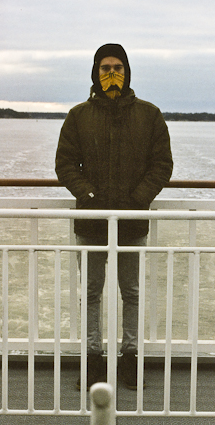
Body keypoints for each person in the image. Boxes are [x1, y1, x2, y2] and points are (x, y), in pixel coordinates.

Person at [55, 43, 173, 390]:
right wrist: (88, 195)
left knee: (132, 291)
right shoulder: (78, 116)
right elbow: (65, 164)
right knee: (91, 292)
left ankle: (130, 357)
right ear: (96, 73)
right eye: (105, 68)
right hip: (91, 220)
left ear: (127, 72)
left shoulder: (150, 115)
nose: (111, 74)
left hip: (132, 220)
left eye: (118, 68)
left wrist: (138, 199)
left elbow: (162, 165)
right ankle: (93, 358)